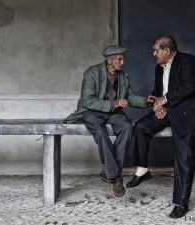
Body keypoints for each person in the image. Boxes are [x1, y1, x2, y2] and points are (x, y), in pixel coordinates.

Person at [126, 35, 195, 218]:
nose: (153, 53)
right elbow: (158, 93)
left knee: (184, 157)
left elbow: (189, 87)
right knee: (140, 127)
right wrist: (157, 105)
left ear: (167, 50)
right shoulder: (158, 68)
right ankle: (143, 171)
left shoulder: (187, 60)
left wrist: (165, 99)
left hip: (188, 114)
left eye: (156, 50)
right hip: (167, 111)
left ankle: (181, 203)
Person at [63, 45, 155, 197]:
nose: (122, 62)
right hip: (91, 112)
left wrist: (145, 100)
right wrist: (113, 104)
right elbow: (87, 101)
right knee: (100, 131)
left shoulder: (122, 77)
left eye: (123, 59)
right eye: (119, 59)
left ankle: (109, 172)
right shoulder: (92, 73)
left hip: (113, 114)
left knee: (127, 127)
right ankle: (116, 177)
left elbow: (130, 96)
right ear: (109, 60)